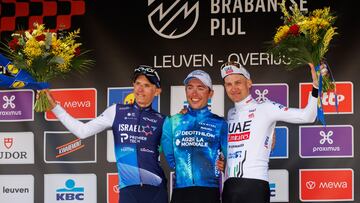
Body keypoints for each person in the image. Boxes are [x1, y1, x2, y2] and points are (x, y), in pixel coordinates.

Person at [44, 65, 168, 203]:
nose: (140, 89)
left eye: (146, 85)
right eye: (138, 83)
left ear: (157, 91)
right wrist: (55, 107)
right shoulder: (117, 111)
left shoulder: (163, 120)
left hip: (156, 190)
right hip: (128, 191)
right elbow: (82, 131)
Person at [220, 61, 320, 203]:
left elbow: (308, 116)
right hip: (229, 187)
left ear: (249, 83)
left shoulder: (266, 107)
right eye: (229, 84)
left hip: (255, 185)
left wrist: (315, 87)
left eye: (238, 82)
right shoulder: (230, 114)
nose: (233, 88)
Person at [161, 70, 228, 203]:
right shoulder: (172, 122)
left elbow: (230, 156)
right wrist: (183, 168)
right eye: (190, 88)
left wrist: (222, 163)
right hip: (181, 192)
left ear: (210, 93)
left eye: (200, 88)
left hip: (209, 192)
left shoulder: (220, 123)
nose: (194, 93)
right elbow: (170, 157)